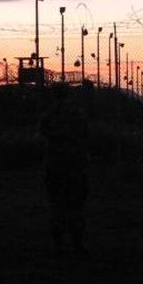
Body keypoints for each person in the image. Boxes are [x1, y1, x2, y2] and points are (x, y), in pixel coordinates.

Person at [39, 83, 90, 256]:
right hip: (74, 165)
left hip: (55, 165)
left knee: (56, 206)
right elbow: (85, 133)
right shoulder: (76, 113)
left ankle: (58, 244)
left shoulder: (50, 114)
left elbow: (43, 132)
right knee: (75, 207)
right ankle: (78, 243)